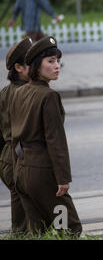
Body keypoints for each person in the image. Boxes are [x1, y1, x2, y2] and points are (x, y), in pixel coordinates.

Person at [10, 36, 82, 236]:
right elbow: (55, 140)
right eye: (50, 61)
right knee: (70, 228)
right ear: (35, 66)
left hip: (22, 172)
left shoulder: (19, 92)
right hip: (43, 174)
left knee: (38, 231)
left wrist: (17, 170)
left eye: (58, 61)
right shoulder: (48, 96)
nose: (57, 66)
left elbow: (13, 136)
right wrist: (63, 178)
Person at [0, 37, 32, 234]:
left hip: (6, 160)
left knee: (23, 221)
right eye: (32, 61)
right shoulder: (27, 93)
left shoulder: (5, 92)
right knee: (25, 226)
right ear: (19, 68)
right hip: (19, 160)